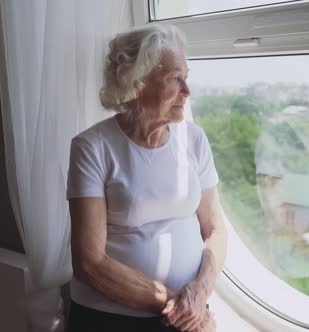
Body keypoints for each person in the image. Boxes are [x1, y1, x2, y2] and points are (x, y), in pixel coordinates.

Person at [66, 25, 227, 332]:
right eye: (175, 78)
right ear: (137, 82)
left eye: (186, 77)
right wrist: (178, 305)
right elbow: (89, 263)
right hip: (111, 318)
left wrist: (199, 293)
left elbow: (215, 228)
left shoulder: (194, 139)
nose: (187, 91)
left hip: (187, 314)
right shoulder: (92, 147)